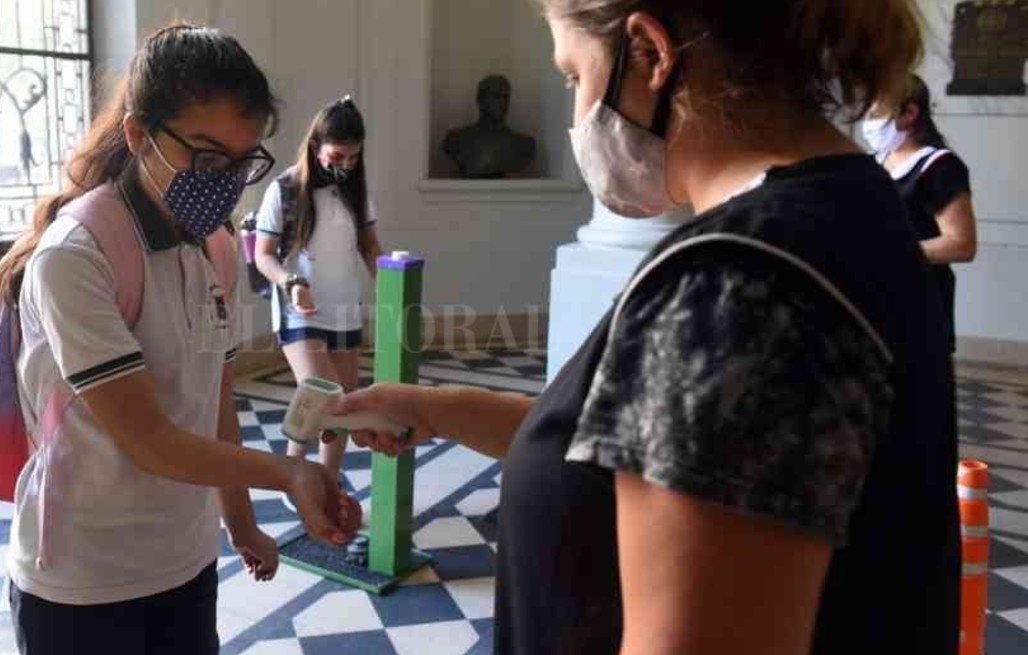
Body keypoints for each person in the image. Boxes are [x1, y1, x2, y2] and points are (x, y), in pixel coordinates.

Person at [339, 2, 959, 654]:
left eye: (575, 76)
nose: (577, 112)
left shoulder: (735, 287)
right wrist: (436, 409)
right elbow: (649, 443)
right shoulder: (848, 208)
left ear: (650, 55)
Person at [0, 24, 359, 655]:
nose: (226, 181)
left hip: (184, 563)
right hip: (85, 580)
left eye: (243, 162)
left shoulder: (212, 245)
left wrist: (240, 526)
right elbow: (150, 441)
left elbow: (214, 408)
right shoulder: (76, 257)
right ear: (138, 134)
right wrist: (289, 474)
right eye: (209, 157)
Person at [253, 97, 383, 495]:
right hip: (301, 311)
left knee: (340, 410)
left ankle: (326, 484)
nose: (345, 164)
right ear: (315, 146)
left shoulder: (355, 192)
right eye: (337, 155)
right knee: (320, 399)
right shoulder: (286, 190)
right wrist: (291, 281)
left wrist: (393, 285)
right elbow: (262, 255)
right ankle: (293, 479)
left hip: (345, 311)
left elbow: (371, 248)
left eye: (353, 157)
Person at [865, 74, 978, 349]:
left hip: (920, 299)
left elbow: (961, 244)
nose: (869, 123)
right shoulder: (872, 165)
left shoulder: (939, 166)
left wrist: (892, 251)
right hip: (876, 299)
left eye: (876, 113)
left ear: (910, 113)